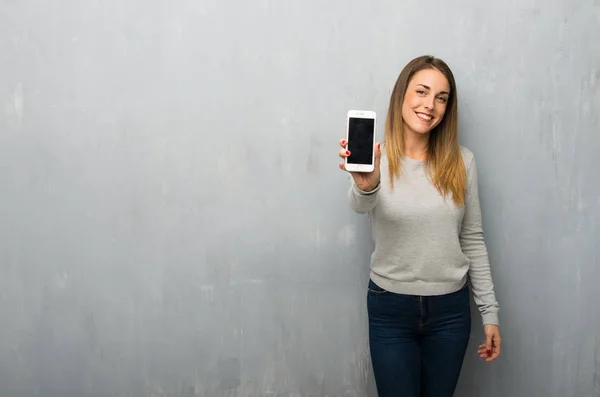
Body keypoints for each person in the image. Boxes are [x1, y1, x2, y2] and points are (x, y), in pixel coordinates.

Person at [337, 55, 502, 397]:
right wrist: (366, 185)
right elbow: (359, 206)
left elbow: (472, 239)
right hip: (390, 307)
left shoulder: (462, 161)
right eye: (422, 92)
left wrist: (490, 312)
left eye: (441, 98)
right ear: (402, 95)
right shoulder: (377, 157)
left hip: (450, 313)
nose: (430, 105)